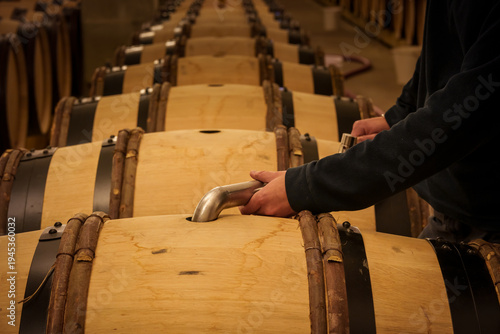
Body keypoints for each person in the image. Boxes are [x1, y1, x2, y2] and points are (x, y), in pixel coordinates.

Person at [239, 0, 500, 243]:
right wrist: (398, 115)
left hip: (488, 220)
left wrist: (304, 187)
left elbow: (455, 121)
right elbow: (443, 52)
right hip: (456, 208)